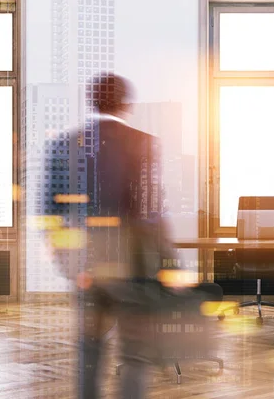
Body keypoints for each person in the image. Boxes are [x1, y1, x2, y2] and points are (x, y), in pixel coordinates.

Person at [47, 72, 222, 399]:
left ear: (92, 99)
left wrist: (72, 268)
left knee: (89, 352)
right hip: (133, 271)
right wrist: (171, 263)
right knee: (135, 356)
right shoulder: (141, 142)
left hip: (88, 271)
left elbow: (54, 216)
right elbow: (149, 212)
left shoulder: (64, 144)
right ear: (126, 104)